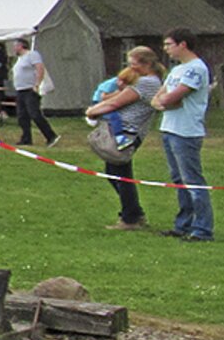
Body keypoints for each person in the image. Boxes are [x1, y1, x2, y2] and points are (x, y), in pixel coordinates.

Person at [84, 46, 162, 230]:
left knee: (121, 176)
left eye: (134, 64)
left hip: (126, 133)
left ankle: (130, 218)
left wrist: (92, 111)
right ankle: (134, 214)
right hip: (123, 131)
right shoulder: (143, 81)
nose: (131, 67)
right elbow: (117, 96)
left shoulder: (148, 83)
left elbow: (116, 102)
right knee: (115, 174)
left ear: (147, 64)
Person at [153, 28, 214, 241]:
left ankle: (202, 229)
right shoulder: (176, 70)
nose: (166, 49)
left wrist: (165, 101)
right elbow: (158, 98)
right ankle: (183, 224)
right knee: (178, 179)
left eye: (169, 44)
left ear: (183, 44)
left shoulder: (195, 69)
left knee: (192, 180)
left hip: (186, 131)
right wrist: (164, 101)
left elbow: (173, 98)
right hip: (169, 128)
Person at [8, 37, 59, 147]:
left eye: (15, 46)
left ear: (20, 46)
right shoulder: (20, 58)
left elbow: (40, 68)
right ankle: (26, 138)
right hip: (20, 90)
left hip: (29, 89)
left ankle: (51, 136)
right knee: (22, 116)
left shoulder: (32, 55)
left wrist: (37, 84)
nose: (14, 49)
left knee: (34, 114)